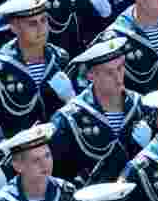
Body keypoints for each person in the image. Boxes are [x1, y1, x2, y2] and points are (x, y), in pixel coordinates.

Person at [0, 0, 74, 137]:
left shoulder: (60, 58)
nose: (41, 29)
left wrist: (71, 99)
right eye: (32, 23)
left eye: (43, 20)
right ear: (15, 28)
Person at [50, 37, 151, 184]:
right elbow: (57, 172)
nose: (118, 77)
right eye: (109, 72)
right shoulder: (70, 118)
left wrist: (149, 147)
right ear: (91, 75)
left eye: (120, 67)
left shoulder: (142, 107)